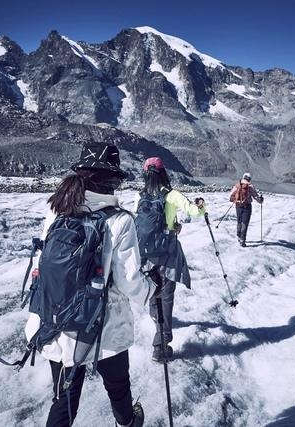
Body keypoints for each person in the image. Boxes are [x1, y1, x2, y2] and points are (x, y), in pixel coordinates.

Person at [24, 142, 152, 427]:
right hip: (105, 327)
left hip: (55, 322)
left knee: (64, 401)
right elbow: (130, 281)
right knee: (118, 387)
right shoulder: (119, 221)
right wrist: (152, 290)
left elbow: (41, 262)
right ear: (113, 180)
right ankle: (128, 422)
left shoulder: (56, 210)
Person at [134, 157, 206, 362]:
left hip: (146, 254)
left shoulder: (140, 196)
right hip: (168, 253)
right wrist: (201, 205)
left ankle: (156, 319)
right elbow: (194, 211)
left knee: (152, 290)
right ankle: (161, 345)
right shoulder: (172, 195)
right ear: (163, 172)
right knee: (167, 295)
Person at [229, 172, 263, 247]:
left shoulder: (237, 185)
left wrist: (235, 199)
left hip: (238, 206)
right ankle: (242, 240)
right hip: (247, 206)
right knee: (245, 223)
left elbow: (231, 195)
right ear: (249, 178)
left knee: (239, 221)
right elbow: (255, 196)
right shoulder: (250, 186)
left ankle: (238, 236)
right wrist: (260, 200)